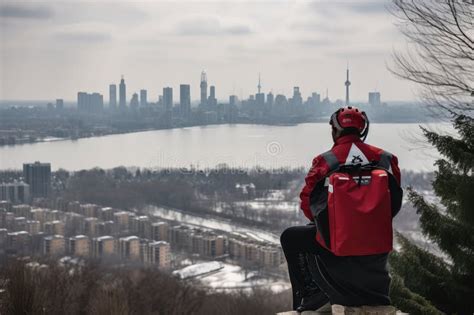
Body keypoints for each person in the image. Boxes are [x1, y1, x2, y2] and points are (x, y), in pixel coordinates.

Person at [280, 106, 403, 312]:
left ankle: (310, 292)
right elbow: (394, 200)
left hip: (338, 241)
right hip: (376, 240)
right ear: (362, 129)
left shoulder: (326, 161)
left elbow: (308, 203)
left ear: (335, 130)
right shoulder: (387, 159)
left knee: (290, 238)